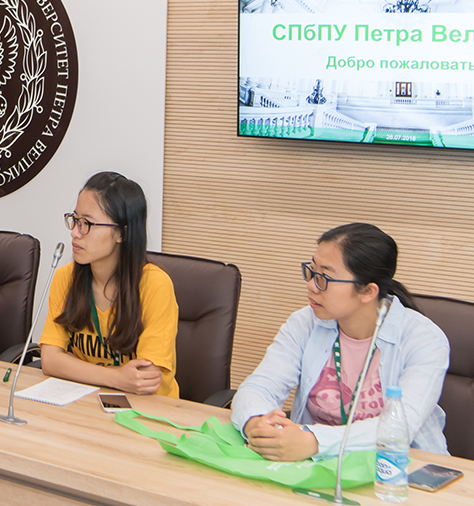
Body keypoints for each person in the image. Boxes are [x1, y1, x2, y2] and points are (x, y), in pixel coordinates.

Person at [232, 223, 449, 460]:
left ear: (367, 291)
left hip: (403, 473)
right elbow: (259, 387)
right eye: (311, 272)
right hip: (316, 466)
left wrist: (313, 441)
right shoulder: (304, 323)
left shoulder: (425, 339)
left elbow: (401, 425)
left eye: (324, 277)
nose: (311, 285)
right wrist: (256, 422)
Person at [38, 171, 179, 397]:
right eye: (74, 220)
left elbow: (144, 380)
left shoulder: (155, 285)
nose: (75, 232)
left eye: (87, 223)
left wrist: (74, 365)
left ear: (121, 233)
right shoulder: (66, 278)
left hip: (147, 414)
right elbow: (50, 360)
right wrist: (117, 377)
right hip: (85, 403)